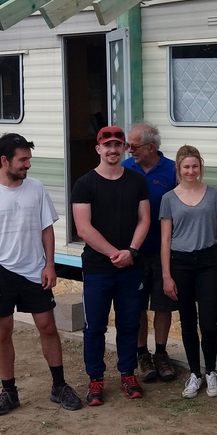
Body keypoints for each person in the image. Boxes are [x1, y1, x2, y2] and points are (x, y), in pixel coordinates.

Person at [0, 133, 83, 416]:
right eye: (23, 159)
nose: (28, 165)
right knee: (3, 331)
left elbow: (47, 229)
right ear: (4, 160)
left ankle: (58, 385)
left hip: (34, 271)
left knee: (48, 327)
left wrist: (50, 265)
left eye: (29, 159)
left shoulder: (37, 188)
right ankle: (9, 391)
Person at [71, 125, 151, 405]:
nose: (113, 150)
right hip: (97, 268)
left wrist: (131, 251)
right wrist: (114, 253)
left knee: (129, 323)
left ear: (125, 149)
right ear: (98, 149)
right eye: (108, 145)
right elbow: (83, 227)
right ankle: (96, 380)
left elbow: (144, 219)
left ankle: (128, 374)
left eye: (118, 145)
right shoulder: (84, 184)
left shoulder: (136, 181)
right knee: (95, 327)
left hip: (131, 266)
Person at [161, 145, 217, 399]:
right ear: (178, 169)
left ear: (201, 166)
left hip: (208, 262)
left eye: (195, 166)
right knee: (188, 322)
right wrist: (167, 275)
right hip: (180, 264)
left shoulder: (212, 195)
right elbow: (165, 239)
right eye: (186, 167)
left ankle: (211, 371)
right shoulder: (169, 198)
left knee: (208, 323)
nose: (191, 171)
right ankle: (194, 373)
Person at [123, 122, 178, 384]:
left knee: (162, 305)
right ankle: (142, 355)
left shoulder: (172, 170)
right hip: (134, 251)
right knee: (137, 306)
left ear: (151, 147)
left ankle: (162, 353)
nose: (128, 150)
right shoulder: (124, 168)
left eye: (133, 146)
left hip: (163, 251)